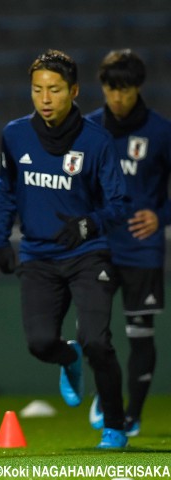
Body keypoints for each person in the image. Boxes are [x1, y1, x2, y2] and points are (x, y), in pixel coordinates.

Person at [0, 49, 129, 448]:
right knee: (39, 344)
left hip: (89, 254)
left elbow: (119, 204)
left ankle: (114, 426)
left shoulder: (97, 141)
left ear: (74, 91)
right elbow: (5, 190)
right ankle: (68, 359)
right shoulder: (15, 135)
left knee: (98, 341)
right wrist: (0, 239)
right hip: (38, 256)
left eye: (54, 90)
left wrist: (89, 223)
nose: (45, 99)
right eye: (37, 90)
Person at [86, 49, 171, 437]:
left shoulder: (160, 132)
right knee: (92, 333)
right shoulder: (87, 129)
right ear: (102, 87)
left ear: (138, 88)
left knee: (140, 334)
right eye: (110, 89)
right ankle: (107, 396)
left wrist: (161, 215)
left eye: (125, 90)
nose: (117, 98)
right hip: (99, 247)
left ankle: (132, 414)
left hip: (141, 247)